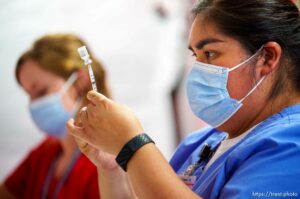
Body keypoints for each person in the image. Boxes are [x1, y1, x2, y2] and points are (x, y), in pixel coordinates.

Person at [67, 0, 300, 198]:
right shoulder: (202, 142)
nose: (198, 70)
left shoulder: (291, 148)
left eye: (209, 53)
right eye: (195, 55)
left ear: (267, 58)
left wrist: (133, 145)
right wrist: (113, 166)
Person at [0, 33, 111, 199]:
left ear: (79, 83)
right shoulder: (44, 153)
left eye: (41, 91)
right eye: (28, 94)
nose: (33, 105)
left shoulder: (107, 165)